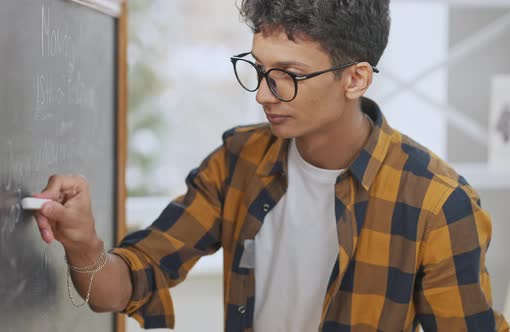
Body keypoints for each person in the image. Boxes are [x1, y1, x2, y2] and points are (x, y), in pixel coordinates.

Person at [33, 0, 510, 331]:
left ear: (356, 78)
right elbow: (121, 286)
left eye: (289, 76)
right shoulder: (239, 161)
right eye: (260, 70)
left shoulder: (436, 203)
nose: (263, 94)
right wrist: (84, 244)